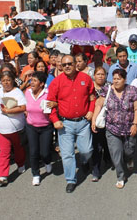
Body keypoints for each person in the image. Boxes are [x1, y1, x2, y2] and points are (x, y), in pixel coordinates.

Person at [47, 55, 95, 193]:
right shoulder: (56, 82)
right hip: (65, 124)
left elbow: (92, 97)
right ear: (61, 66)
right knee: (67, 154)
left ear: (76, 64)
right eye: (64, 64)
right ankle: (71, 180)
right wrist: (54, 119)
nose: (67, 66)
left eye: (70, 63)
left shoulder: (85, 79)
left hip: (83, 123)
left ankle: (85, 161)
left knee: (86, 150)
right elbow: (49, 104)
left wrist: (91, 111)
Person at [92, 69, 137, 189]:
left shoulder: (132, 90)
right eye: (114, 78)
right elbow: (99, 104)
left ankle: (129, 159)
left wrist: (135, 124)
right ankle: (120, 176)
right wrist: (94, 119)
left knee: (129, 150)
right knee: (116, 153)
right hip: (112, 128)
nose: (116, 81)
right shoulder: (107, 90)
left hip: (129, 128)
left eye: (119, 78)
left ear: (124, 79)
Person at [24, 71, 53, 186]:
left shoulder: (48, 93)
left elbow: (53, 106)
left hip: (46, 126)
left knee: (45, 152)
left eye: (35, 81)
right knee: (33, 151)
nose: (32, 83)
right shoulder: (27, 92)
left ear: (41, 84)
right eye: (31, 80)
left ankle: (47, 161)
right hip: (31, 126)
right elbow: (24, 105)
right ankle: (36, 174)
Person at [90, 66, 111, 181]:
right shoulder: (90, 87)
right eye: (98, 74)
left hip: (107, 119)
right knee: (96, 146)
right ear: (94, 76)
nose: (100, 76)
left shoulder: (109, 86)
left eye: (103, 74)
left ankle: (107, 158)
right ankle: (96, 170)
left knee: (106, 142)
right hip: (93, 119)